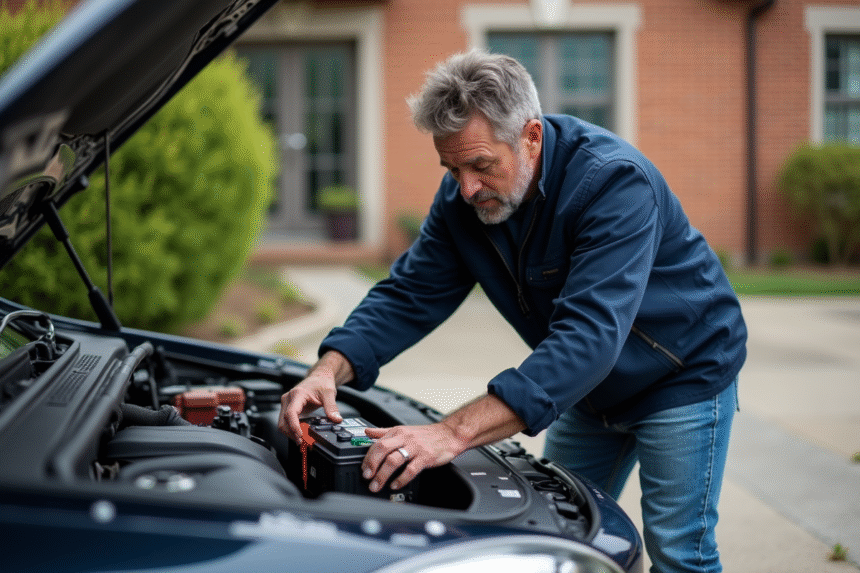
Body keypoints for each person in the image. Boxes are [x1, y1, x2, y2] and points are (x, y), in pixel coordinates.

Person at [279, 50, 746, 573]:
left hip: (681, 376)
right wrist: (330, 369)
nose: (467, 187)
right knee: (561, 537)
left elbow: (588, 337)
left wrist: (450, 433)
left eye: (481, 165)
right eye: (452, 167)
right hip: (587, 391)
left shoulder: (613, 184)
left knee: (679, 552)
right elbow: (410, 292)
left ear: (531, 137)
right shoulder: (463, 200)